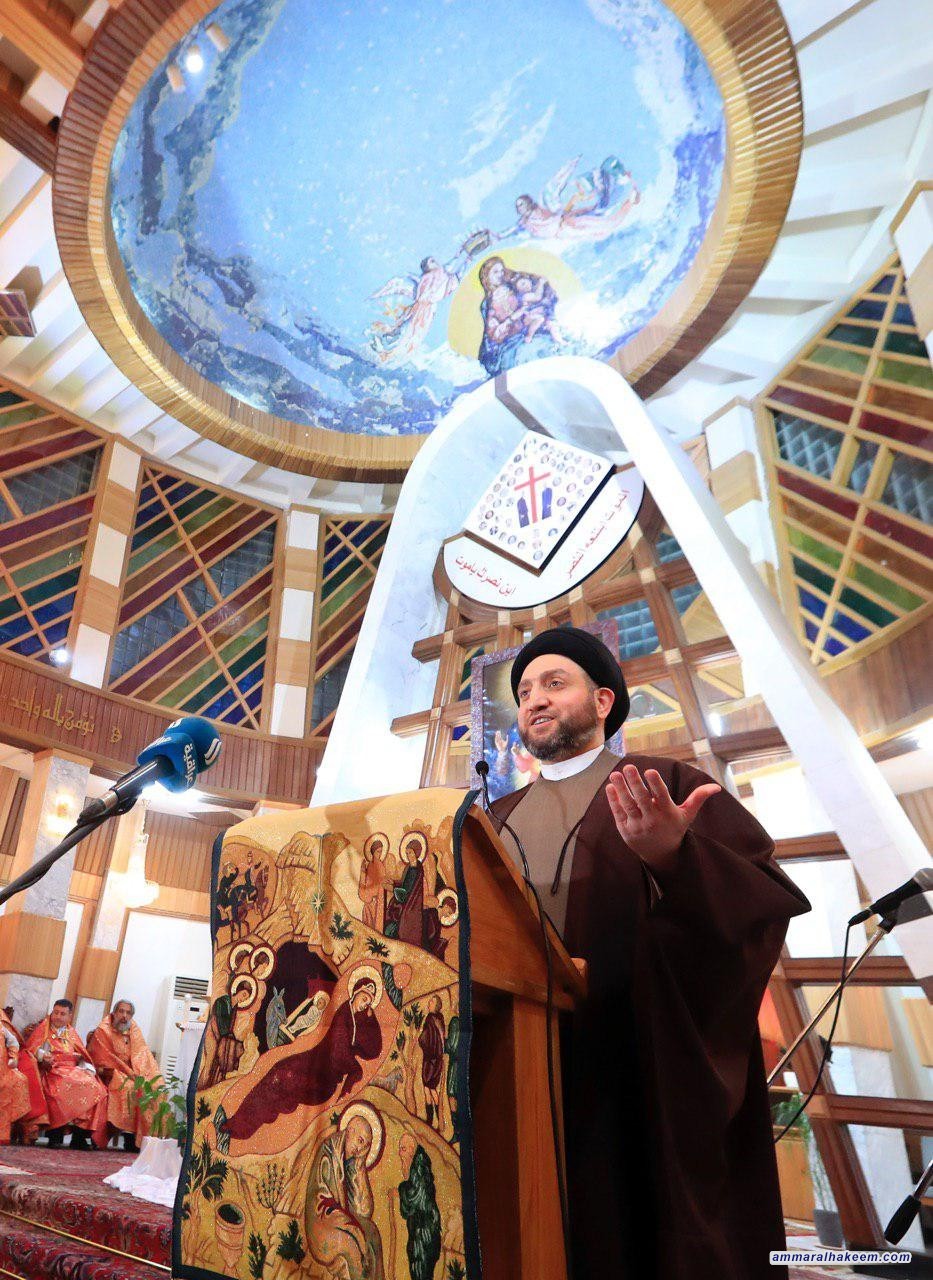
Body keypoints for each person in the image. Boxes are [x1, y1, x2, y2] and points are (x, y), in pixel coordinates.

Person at [489, 626, 810, 1280]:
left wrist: (675, 858)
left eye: (554, 683)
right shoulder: (491, 820)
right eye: (524, 692)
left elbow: (757, 907)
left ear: (603, 700)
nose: (534, 700)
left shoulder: (664, 785)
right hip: (514, 1066)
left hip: (632, 1069)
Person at [305, 1111, 385, 1279]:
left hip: (341, 1221)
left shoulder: (352, 1161)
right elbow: (324, 1206)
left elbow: (363, 1212)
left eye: (366, 1146)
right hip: (321, 1225)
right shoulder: (329, 1152)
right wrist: (354, 1231)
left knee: (373, 1232)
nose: (360, 1149)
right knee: (351, 1246)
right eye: (360, 1141)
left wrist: (360, 1168)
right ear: (350, 1131)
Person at [26, 999, 108, 1149]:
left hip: (73, 1069)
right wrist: (42, 1056)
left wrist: (87, 1068)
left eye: (62, 1014)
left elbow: (83, 1055)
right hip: (52, 1070)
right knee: (61, 1088)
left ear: (70, 1016)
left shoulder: (71, 1033)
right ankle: (55, 1136)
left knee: (96, 1087)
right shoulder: (43, 1029)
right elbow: (31, 1049)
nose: (58, 1017)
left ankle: (79, 1137)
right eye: (56, 1012)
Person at [88, 999, 165, 1152]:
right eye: (121, 1011)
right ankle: (129, 1138)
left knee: (155, 1086)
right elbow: (102, 1058)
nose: (124, 1016)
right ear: (114, 1013)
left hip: (133, 1073)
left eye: (128, 1013)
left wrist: (144, 1074)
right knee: (129, 1088)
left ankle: (140, 1140)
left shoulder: (134, 1031)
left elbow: (143, 1055)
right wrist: (129, 1073)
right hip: (112, 1073)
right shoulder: (103, 1031)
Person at [0, 1007, 30, 1144]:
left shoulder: (2, 1027)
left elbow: (13, 1042)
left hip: (3, 1070)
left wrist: (13, 1057)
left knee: (18, 1081)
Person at [418, 995, 446, 1131]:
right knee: (430, 1087)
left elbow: (425, 1038)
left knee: (428, 1087)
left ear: (436, 1005)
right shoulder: (440, 1019)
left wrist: (420, 1039)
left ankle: (431, 1119)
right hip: (438, 1060)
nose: (429, 1003)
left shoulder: (430, 1018)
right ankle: (435, 1119)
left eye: (432, 1001)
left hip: (430, 1060)